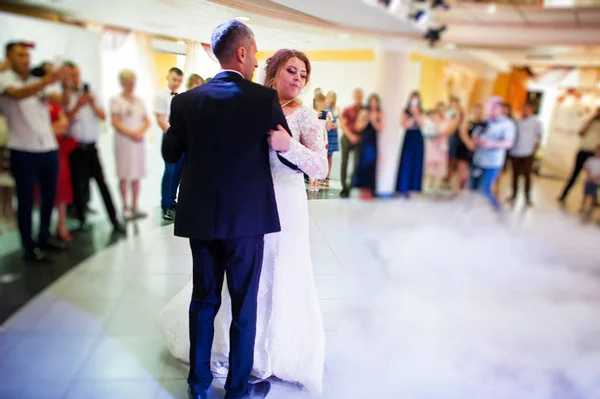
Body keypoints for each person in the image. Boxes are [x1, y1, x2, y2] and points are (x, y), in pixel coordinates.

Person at [158, 21, 327, 399]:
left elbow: (171, 155)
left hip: (200, 217)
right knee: (244, 305)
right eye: (253, 53)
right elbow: (281, 158)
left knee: (203, 301)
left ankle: (198, 386)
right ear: (242, 53)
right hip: (247, 220)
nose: (255, 62)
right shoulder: (261, 100)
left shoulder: (185, 101)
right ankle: (237, 388)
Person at [0, 42, 70, 262]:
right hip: (23, 149)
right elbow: (19, 94)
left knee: (50, 196)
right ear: (9, 58)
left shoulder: (36, 81)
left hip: (48, 147)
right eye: (20, 55)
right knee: (27, 200)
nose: (26, 59)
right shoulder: (5, 79)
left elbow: (63, 102)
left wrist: (65, 84)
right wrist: (48, 79)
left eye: (27, 55)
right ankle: (28, 247)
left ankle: (44, 238)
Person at [63, 61, 125, 234]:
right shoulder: (65, 96)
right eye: (71, 76)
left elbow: (103, 116)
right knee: (79, 185)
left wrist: (90, 103)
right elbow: (65, 120)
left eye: (77, 75)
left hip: (91, 147)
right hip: (75, 147)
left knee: (102, 183)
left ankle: (114, 220)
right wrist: (78, 105)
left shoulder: (92, 94)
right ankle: (81, 219)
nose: (75, 79)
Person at [110, 69, 150, 221]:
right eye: (128, 82)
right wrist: (131, 134)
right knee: (124, 175)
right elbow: (115, 121)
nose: (131, 85)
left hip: (138, 142)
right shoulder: (117, 100)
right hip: (124, 142)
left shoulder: (139, 101)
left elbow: (147, 120)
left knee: (136, 175)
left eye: (133, 82)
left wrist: (139, 132)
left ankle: (135, 205)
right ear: (122, 83)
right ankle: (125, 207)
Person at [470, 97, 516, 211]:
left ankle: (498, 212)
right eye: (489, 107)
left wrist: (491, 143)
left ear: (500, 108)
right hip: (478, 160)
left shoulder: (507, 124)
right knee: (472, 190)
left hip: (492, 162)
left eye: (494, 107)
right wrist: (476, 139)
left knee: (484, 190)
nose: (491, 109)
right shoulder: (485, 121)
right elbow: (475, 134)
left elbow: (508, 143)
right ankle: (470, 214)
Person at [156, 67, 184, 221]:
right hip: (169, 136)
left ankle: (172, 200)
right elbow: (160, 119)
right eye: (174, 79)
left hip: (180, 137)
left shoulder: (180, 95)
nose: (176, 83)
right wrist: (172, 134)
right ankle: (165, 205)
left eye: (179, 80)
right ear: (168, 77)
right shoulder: (160, 95)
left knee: (178, 171)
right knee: (169, 171)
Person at [48, 95, 77, 242]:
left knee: (62, 188)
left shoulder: (56, 106)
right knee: (46, 190)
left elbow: (64, 125)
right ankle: (47, 228)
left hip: (59, 149)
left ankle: (61, 225)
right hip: (42, 148)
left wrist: (51, 129)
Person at [558, 106, 600, 206]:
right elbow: (581, 133)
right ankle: (564, 194)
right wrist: (590, 121)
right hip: (583, 150)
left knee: (596, 176)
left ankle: (594, 200)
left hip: (595, 152)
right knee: (575, 173)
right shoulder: (588, 121)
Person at [508, 102, 542, 207]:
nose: (525, 111)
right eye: (523, 109)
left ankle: (527, 197)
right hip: (515, 151)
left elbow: (539, 136)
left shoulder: (535, 122)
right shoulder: (517, 122)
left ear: (531, 110)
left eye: (527, 109)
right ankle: (513, 195)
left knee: (527, 175)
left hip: (527, 152)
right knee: (514, 175)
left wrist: (535, 148)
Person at [423, 104, 460, 194]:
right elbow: (427, 128)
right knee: (430, 166)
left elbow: (449, 130)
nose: (441, 112)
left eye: (442, 110)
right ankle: (428, 186)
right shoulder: (433, 120)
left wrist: (457, 110)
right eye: (439, 110)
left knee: (439, 166)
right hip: (432, 145)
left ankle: (435, 187)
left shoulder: (448, 121)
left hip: (442, 146)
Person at [353, 93, 383, 200]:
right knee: (362, 165)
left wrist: (373, 119)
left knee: (371, 165)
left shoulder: (379, 114)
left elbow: (380, 128)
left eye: (376, 102)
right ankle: (362, 190)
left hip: (373, 142)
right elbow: (357, 127)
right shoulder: (363, 112)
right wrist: (366, 119)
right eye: (372, 101)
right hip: (364, 141)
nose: (374, 104)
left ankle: (370, 190)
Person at [396, 91, 425, 198]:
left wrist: (417, 114)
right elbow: (404, 125)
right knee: (406, 161)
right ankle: (403, 187)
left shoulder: (421, 111)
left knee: (416, 162)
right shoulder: (405, 111)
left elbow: (422, 124)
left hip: (418, 137)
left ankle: (413, 187)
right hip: (409, 136)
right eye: (413, 99)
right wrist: (412, 116)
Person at [455, 104, 485, 195]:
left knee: (470, 171)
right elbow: (462, 133)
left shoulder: (483, 123)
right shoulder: (468, 122)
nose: (477, 113)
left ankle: (467, 188)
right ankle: (458, 188)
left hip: (477, 150)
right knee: (462, 169)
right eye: (476, 111)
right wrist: (469, 143)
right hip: (465, 148)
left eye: (479, 112)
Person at [339, 88, 364, 198]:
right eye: (356, 96)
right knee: (344, 162)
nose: (358, 98)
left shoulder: (364, 110)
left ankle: (350, 187)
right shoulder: (348, 110)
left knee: (357, 163)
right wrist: (351, 136)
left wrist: (358, 137)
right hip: (347, 138)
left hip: (359, 139)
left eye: (360, 96)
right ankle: (344, 187)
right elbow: (343, 124)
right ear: (354, 97)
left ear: (362, 97)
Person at [310, 91, 332, 192]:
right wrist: (315, 115)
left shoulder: (326, 113)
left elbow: (328, 128)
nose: (322, 103)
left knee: (321, 160)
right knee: (312, 160)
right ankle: (311, 182)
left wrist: (330, 119)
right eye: (320, 101)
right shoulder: (310, 112)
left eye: (323, 101)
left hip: (323, 140)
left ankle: (317, 181)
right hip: (314, 139)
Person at [444, 96, 465, 188]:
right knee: (446, 159)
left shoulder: (460, 113)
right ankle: (446, 179)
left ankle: (450, 179)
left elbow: (457, 126)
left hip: (455, 137)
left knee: (452, 159)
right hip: (447, 136)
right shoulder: (448, 112)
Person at [324, 90, 340, 187]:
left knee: (330, 156)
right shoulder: (323, 108)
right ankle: (321, 176)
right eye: (330, 96)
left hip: (333, 134)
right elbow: (321, 120)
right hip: (326, 133)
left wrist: (335, 125)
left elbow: (340, 122)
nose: (331, 98)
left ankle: (328, 177)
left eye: (333, 97)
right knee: (324, 155)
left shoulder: (336, 109)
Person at [580, 145, 600, 218]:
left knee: (593, 195)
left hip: (596, 181)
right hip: (588, 180)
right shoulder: (591, 159)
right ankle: (582, 207)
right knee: (585, 194)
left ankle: (591, 208)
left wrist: (595, 178)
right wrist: (590, 177)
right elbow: (586, 168)